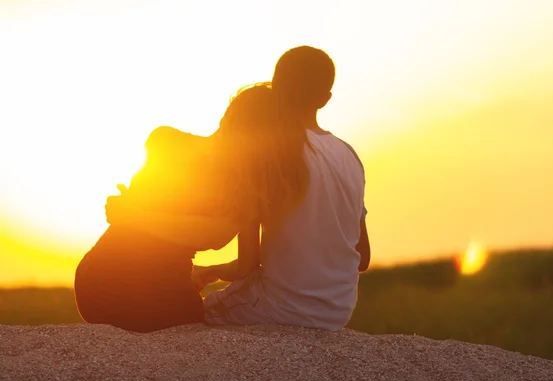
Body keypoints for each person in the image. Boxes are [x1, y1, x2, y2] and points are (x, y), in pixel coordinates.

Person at [75, 83, 307, 333]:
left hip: (94, 286)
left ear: (227, 115)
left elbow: (221, 244)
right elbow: (223, 246)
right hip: (149, 301)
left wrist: (132, 214)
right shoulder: (245, 186)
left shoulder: (166, 139)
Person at [193, 46, 370, 331]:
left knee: (190, 314)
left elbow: (246, 266)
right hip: (338, 313)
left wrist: (207, 271)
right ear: (325, 100)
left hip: (279, 307)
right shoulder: (349, 155)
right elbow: (363, 257)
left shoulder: (271, 153)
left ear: (275, 88)